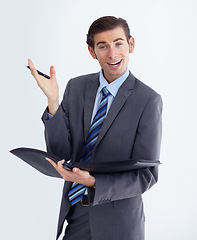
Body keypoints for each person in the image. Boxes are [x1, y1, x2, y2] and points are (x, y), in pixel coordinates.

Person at [28, 16, 162, 240]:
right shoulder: (76, 87)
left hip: (118, 223)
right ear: (92, 51)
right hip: (76, 213)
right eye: (103, 46)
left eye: (118, 43)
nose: (112, 54)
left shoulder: (148, 100)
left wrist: (95, 183)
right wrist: (53, 103)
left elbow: (146, 175)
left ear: (131, 45)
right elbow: (62, 154)